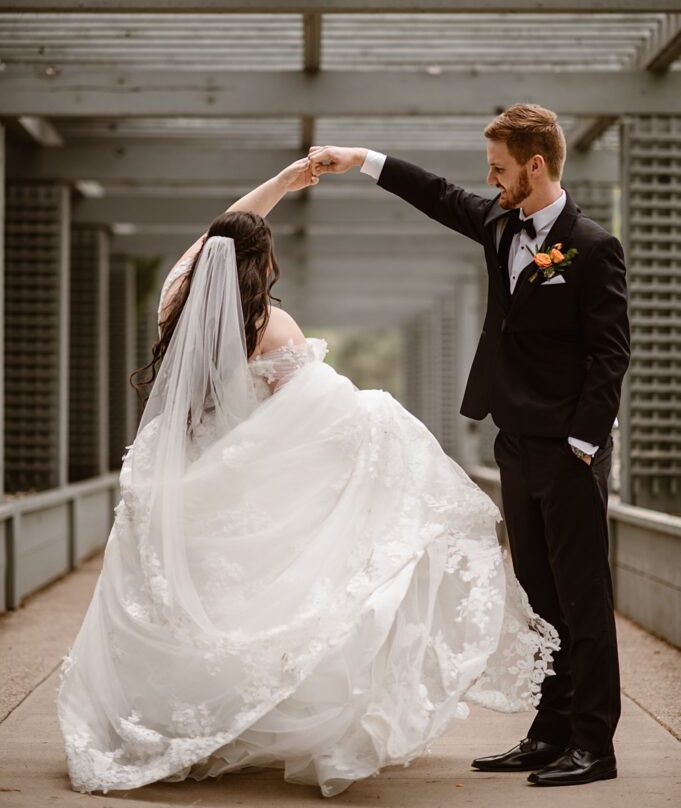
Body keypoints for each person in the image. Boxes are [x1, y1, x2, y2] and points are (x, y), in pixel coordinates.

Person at [57, 154, 561, 799]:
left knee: (193, 605)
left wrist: (278, 185)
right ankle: (255, 721)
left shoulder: (177, 304)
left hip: (187, 476)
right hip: (248, 483)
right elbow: (324, 418)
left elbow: (215, 238)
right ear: (263, 265)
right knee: (290, 601)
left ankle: (166, 722)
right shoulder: (273, 326)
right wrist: (382, 421)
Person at [307, 102, 630, 788]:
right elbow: (434, 194)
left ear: (534, 166)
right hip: (514, 441)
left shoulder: (593, 248)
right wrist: (361, 159)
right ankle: (548, 733)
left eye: (499, 168)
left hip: (568, 451)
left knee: (582, 597)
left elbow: (610, 357)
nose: (489, 180)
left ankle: (592, 745)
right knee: (539, 596)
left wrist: (582, 443)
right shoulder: (496, 223)